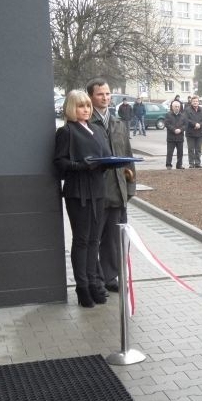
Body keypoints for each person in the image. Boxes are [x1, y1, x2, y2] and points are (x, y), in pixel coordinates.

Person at [53, 90, 111, 307]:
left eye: (87, 105)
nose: (86, 109)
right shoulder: (66, 131)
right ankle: (82, 288)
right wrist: (81, 166)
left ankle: (95, 284)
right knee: (82, 240)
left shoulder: (96, 129)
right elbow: (60, 163)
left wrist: (110, 163)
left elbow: (105, 156)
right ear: (71, 108)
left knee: (95, 240)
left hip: (97, 190)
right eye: (80, 106)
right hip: (78, 192)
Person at [87, 78, 136, 293]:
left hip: (118, 191)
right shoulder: (87, 125)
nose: (105, 98)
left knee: (113, 240)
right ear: (90, 96)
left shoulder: (118, 124)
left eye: (107, 94)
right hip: (97, 192)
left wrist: (131, 186)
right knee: (94, 238)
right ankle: (95, 278)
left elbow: (128, 156)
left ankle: (110, 276)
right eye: (100, 94)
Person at [184, 96, 202, 168]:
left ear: (199, 102)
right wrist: (195, 124)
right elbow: (186, 120)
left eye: (196, 101)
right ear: (191, 102)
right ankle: (191, 163)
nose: (195, 102)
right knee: (191, 149)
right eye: (194, 101)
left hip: (199, 132)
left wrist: (200, 125)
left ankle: (198, 163)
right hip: (190, 133)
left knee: (198, 149)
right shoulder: (187, 110)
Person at [164, 100, 187, 169]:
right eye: (175, 106)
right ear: (172, 107)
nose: (177, 108)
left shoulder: (183, 116)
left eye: (178, 106)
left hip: (180, 137)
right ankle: (168, 165)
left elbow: (185, 125)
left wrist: (180, 129)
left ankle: (179, 165)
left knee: (180, 152)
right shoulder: (168, 115)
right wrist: (174, 130)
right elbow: (167, 124)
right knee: (170, 152)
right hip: (171, 137)